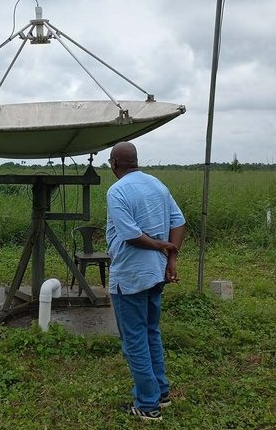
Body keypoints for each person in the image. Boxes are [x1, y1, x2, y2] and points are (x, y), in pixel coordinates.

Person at [106, 141, 185, 421]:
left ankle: (148, 405)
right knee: (151, 331)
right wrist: (170, 257)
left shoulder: (117, 191)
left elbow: (130, 235)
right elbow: (179, 222)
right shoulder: (157, 185)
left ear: (114, 163)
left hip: (130, 276)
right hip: (156, 274)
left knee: (135, 340)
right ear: (136, 161)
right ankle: (161, 393)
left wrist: (161, 245)